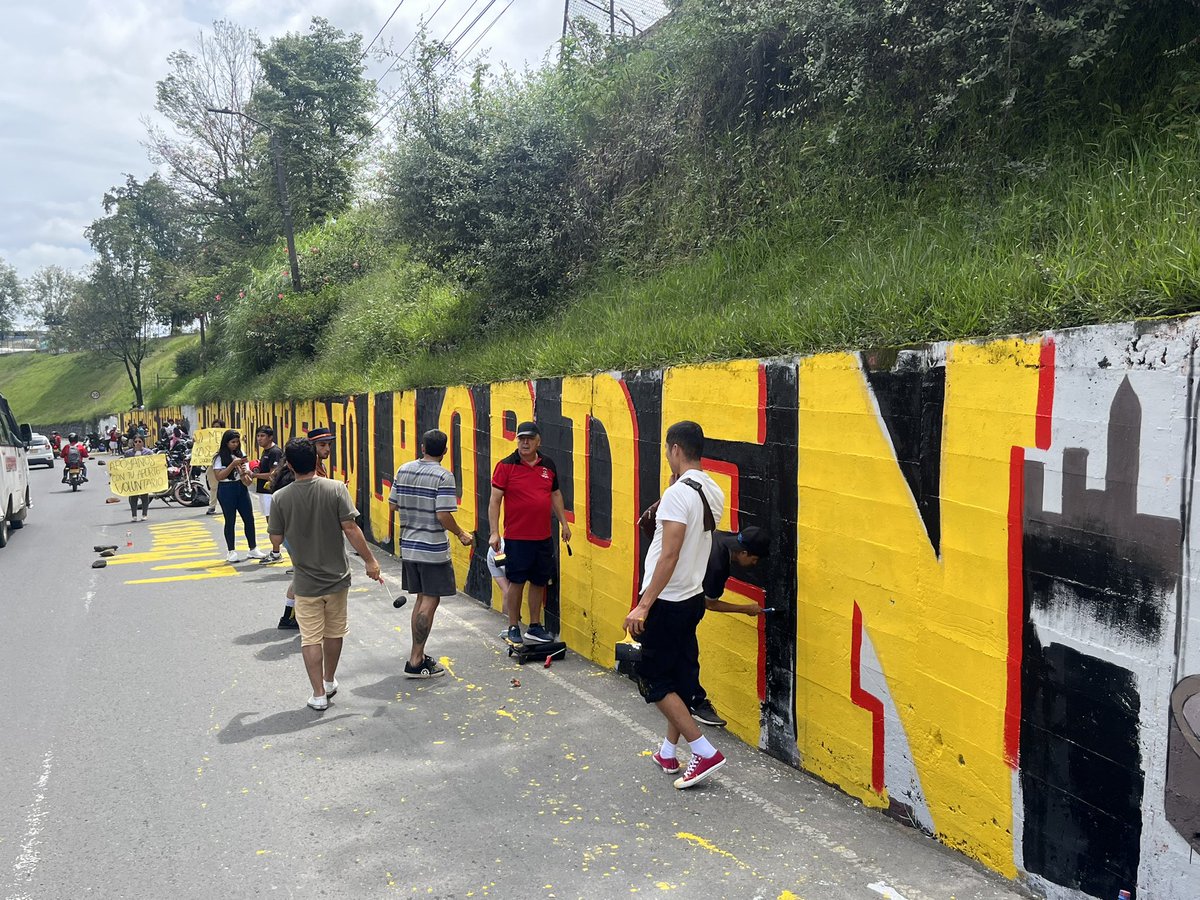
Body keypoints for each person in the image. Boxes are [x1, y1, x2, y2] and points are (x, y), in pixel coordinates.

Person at [624, 421, 727, 790]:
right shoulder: (712, 490)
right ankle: (669, 751)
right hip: (692, 598)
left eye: (668, 452)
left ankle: (704, 751)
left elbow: (669, 555)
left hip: (666, 601)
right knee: (679, 678)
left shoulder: (677, 495)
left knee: (652, 677)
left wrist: (642, 606)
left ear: (675, 450)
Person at [268, 437, 382, 711]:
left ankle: (318, 694)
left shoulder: (280, 498)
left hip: (305, 581)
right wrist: (370, 561)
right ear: (316, 461)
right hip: (337, 577)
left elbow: (275, 540)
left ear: (290, 465)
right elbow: (352, 529)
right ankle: (329, 680)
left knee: (310, 638)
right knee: (334, 633)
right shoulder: (335, 489)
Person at [388, 429, 474, 678]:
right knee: (431, 600)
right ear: (445, 451)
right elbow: (443, 514)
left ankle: (417, 654)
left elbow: (393, 504)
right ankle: (416, 659)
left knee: (420, 598)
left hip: (409, 546)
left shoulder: (404, 469)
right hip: (432, 549)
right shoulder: (444, 477)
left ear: (422, 447)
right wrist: (460, 534)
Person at [487, 422, 571, 645]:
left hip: (543, 537)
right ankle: (513, 625)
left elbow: (555, 495)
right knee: (516, 582)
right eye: (521, 438)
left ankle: (534, 626)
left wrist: (564, 523)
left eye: (529, 438)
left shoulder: (548, 465)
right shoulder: (505, 466)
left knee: (538, 581)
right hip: (517, 538)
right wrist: (494, 532)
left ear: (538, 441)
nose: (525, 442)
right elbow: (495, 501)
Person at [683, 526, 771, 727]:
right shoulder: (718, 565)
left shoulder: (719, 536)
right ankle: (695, 702)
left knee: (681, 652)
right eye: (754, 560)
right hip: (682, 605)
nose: (754, 565)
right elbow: (710, 603)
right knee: (687, 654)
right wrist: (745, 608)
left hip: (673, 594)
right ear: (743, 553)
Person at [211, 429, 267, 563]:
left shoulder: (241, 455)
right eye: (232, 442)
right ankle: (231, 551)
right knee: (230, 520)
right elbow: (219, 476)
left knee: (249, 518)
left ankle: (253, 548)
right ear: (226, 443)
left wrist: (243, 472)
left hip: (240, 487)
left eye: (237, 442)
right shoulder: (219, 457)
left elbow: (247, 481)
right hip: (226, 488)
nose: (235, 445)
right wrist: (232, 465)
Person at [123, 436, 155, 521]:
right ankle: (134, 515)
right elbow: (124, 465)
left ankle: (144, 514)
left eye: (139, 441)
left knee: (144, 496)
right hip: (133, 478)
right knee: (133, 496)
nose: (137, 443)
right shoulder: (128, 453)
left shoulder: (148, 452)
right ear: (133, 443)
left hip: (144, 477)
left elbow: (153, 463)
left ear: (143, 443)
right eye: (136, 441)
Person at [205, 418, 227, 516]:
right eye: (213, 427)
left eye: (217, 427)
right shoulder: (208, 438)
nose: (215, 429)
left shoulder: (227, 437)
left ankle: (227, 505)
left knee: (226, 486)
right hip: (211, 465)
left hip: (225, 464)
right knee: (214, 487)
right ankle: (212, 506)